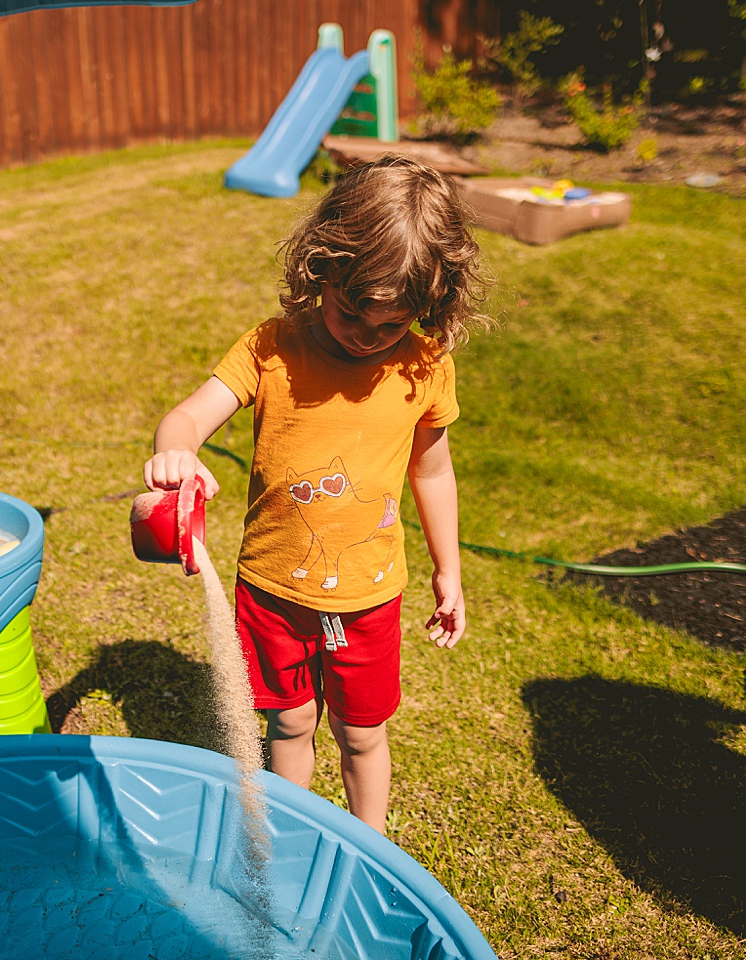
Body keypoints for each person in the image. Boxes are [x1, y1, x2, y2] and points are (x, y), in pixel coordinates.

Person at [142, 156, 489, 832]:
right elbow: (184, 417)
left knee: (362, 734)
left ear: (429, 308)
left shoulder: (424, 367)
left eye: (390, 324)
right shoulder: (272, 349)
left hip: (369, 598)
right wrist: (175, 449)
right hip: (272, 592)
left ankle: (369, 849)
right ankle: (288, 836)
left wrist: (449, 569)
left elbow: (433, 471)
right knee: (291, 722)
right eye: (353, 312)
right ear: (321, 269)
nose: (367, 335)